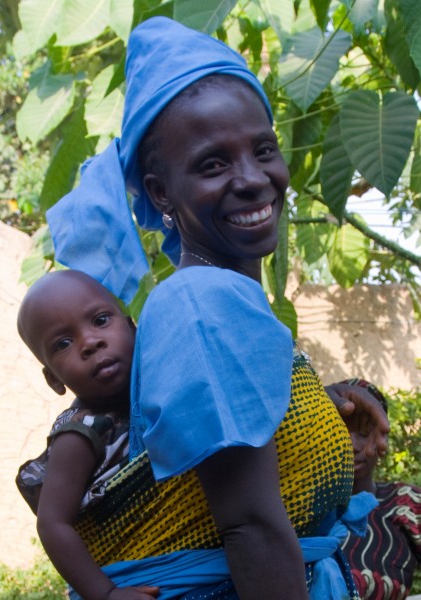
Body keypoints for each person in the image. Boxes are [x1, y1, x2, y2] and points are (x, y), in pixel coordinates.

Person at [46, 16, 388, 599]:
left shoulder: (220, 297)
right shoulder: (201, 306)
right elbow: (250, 526)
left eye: (263, 149)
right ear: (159, 192)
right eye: (213, 164)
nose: (254, 179)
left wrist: (322, 409)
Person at [15, 270, 159, 600]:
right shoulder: (80, 433)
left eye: (100, 320)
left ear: (132, 328)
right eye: (63, 343)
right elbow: (52, 524)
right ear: (53, 379)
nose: (90, 342)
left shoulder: (153, 396)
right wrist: (106, 594)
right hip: (132, 575)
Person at [341, 378, 421, 600]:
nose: (353, 446)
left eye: (365, 434)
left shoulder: (406, 502)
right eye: (341, 431)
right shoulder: (301, 504)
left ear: (382, 439)